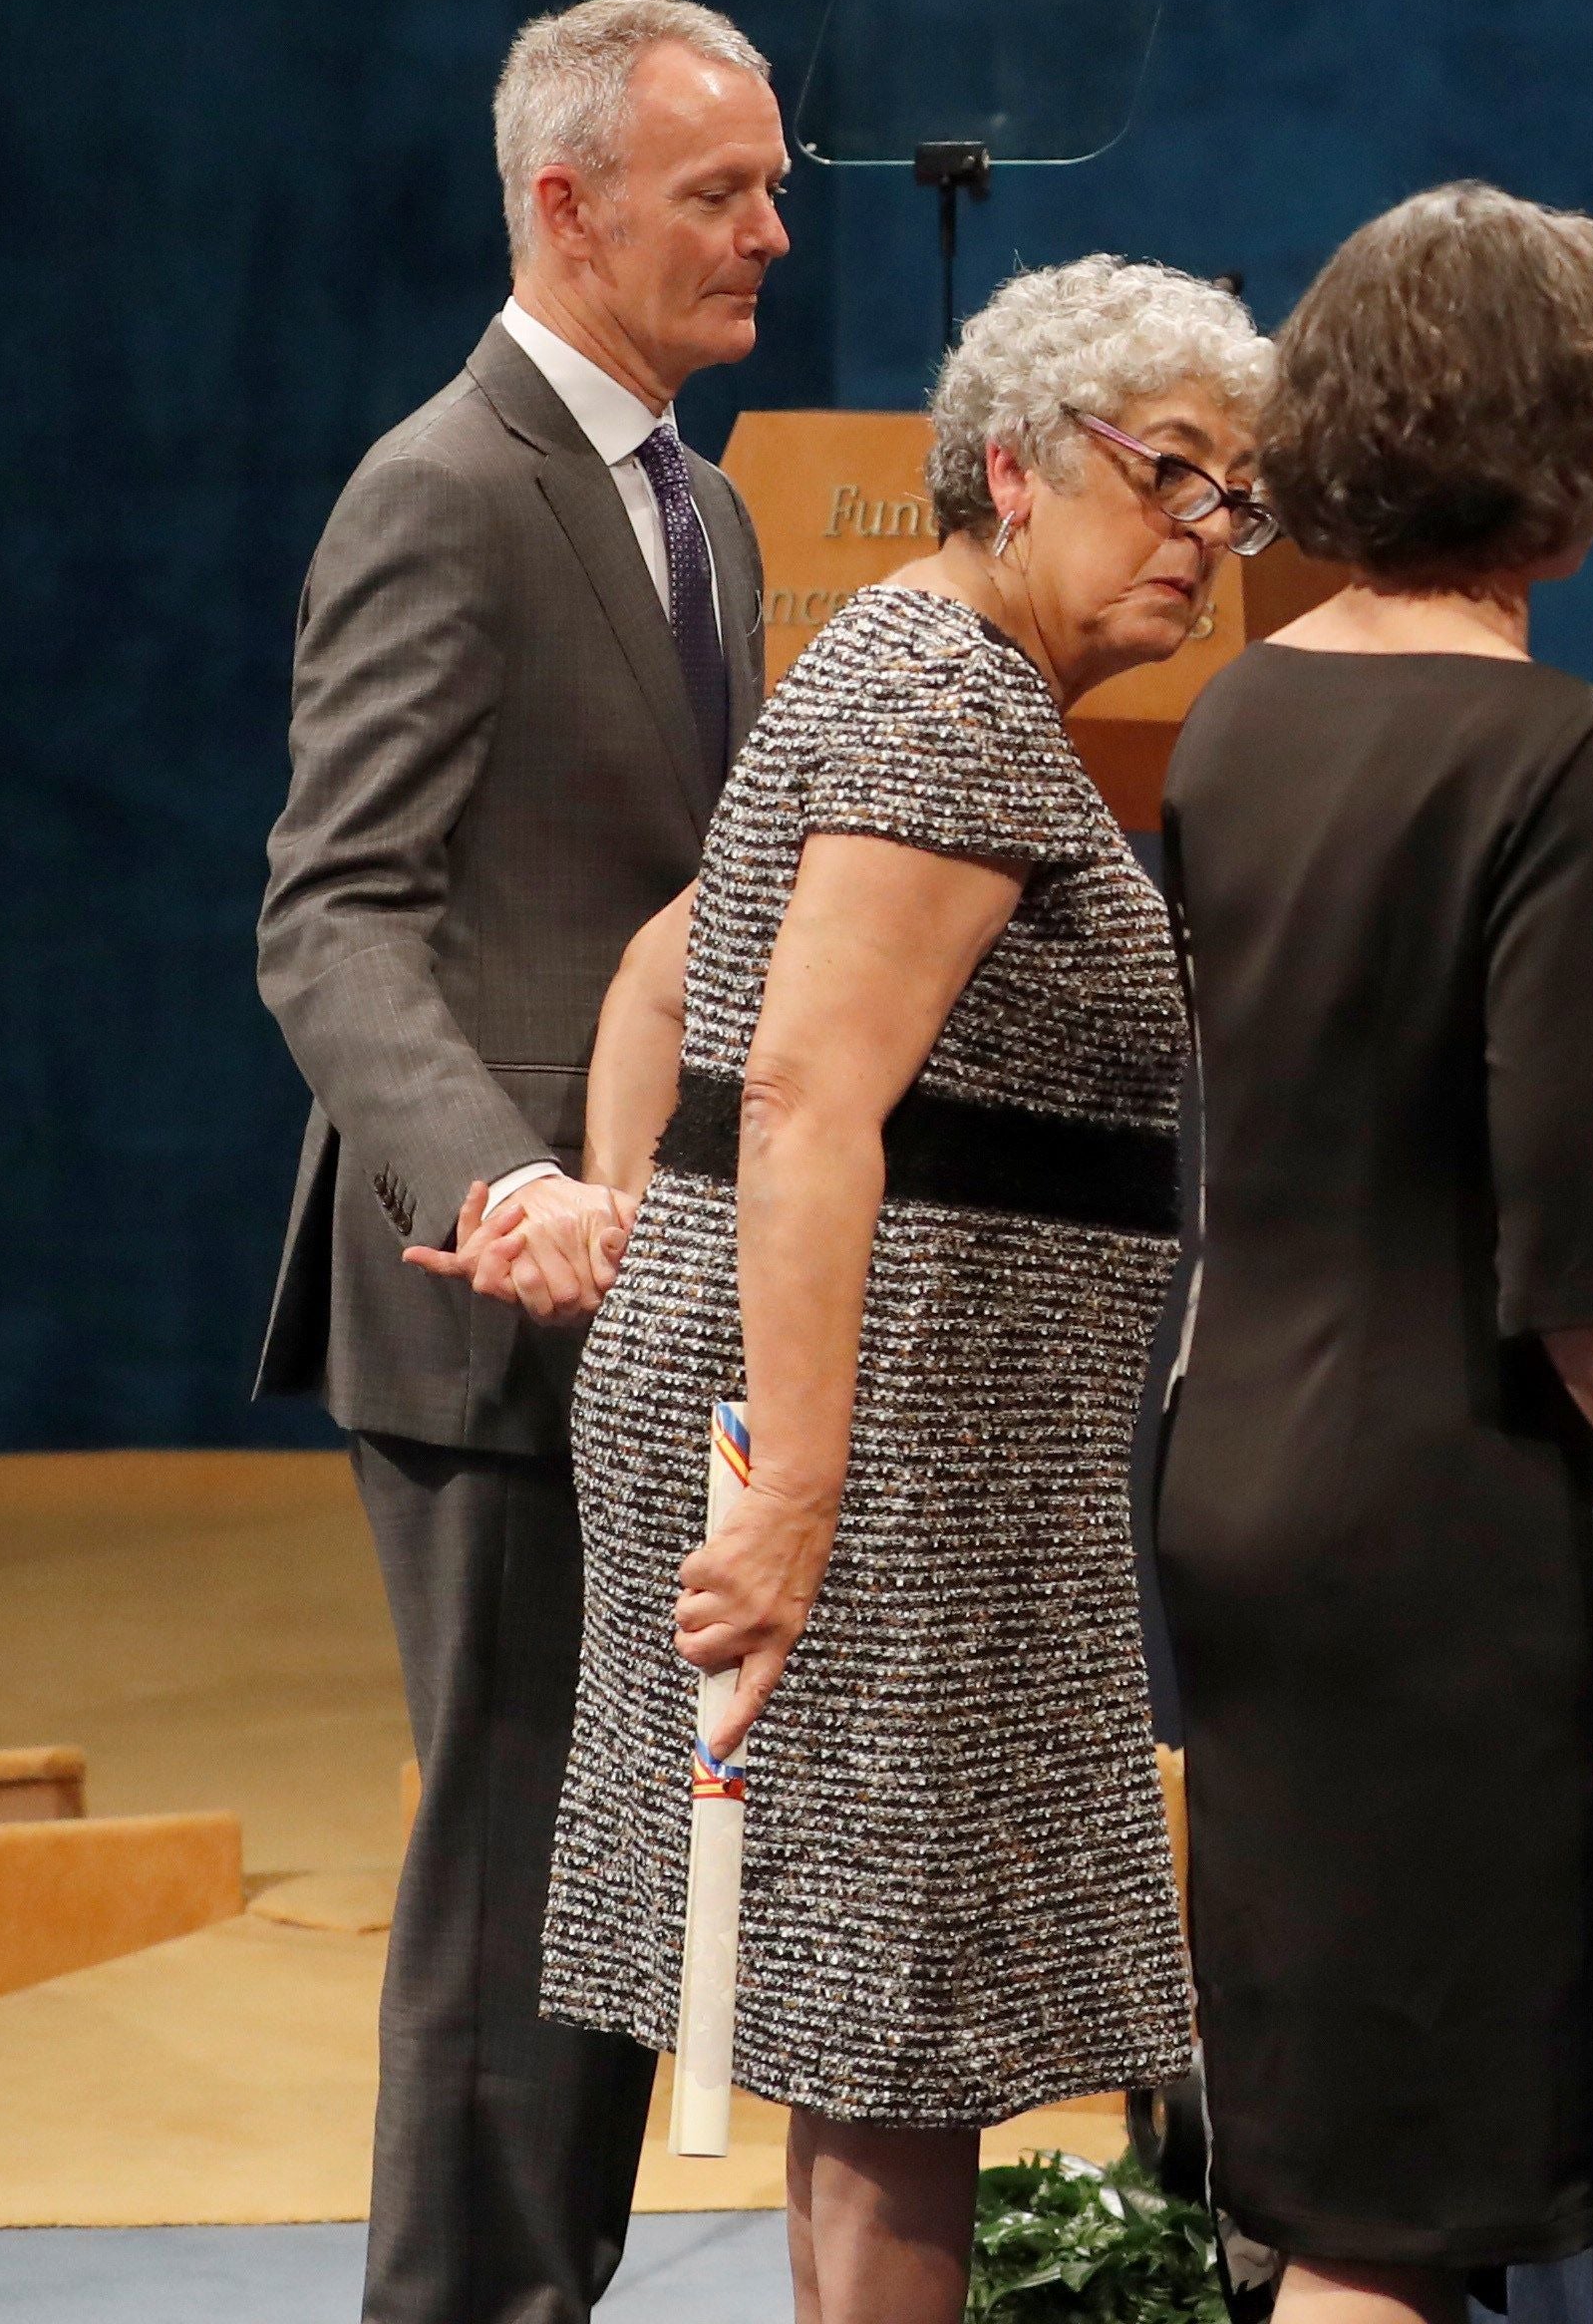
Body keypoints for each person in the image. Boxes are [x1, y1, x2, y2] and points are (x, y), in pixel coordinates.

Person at [530, 256, 1276, 2324]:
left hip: (897, 1440)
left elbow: (669, 972)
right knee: (881, 2039)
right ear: (1017, 470)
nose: (1213, 541)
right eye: (1176, 479)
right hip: (876, 1461)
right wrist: (784, 1485)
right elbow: (792, 1084)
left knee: (884, 2040)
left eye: (1244, 497)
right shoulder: (945, 695)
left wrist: (634, 1240)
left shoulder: (912, 674)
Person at [1153, 183, 1593, 2324]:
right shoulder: (1567, 759)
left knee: (1330, 2166)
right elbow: (1578, 1248)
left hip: (1237, 1470)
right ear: (1579, 442)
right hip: (1423, 1531)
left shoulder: (1241, 715)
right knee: (1391, 2221)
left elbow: (1360, 1142)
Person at [255, 0, 782, 2324]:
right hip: (495, 1314)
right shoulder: (441, 485)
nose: (771, 229)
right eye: (717, 192)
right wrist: (500, 1184)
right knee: (507, 1903)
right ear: (560, 203)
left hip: (659, 1296)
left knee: (609, 1893)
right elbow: (331, 907)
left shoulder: (711, 499)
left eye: (773, 184)